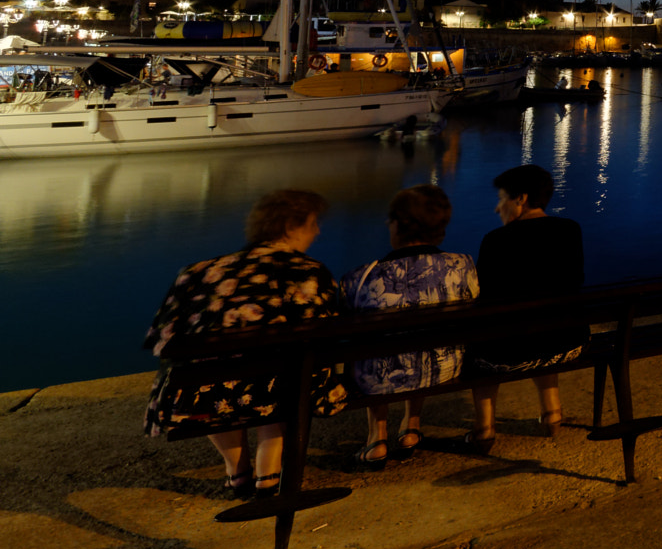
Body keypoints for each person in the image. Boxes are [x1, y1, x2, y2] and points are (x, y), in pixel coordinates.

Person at [142, 189, 350, 498]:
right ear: (292, 226)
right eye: (313, 223)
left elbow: (161, 341)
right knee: (287, 371)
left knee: (220, 377)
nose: (318, 231)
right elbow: (326, 336)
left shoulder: (199, 272)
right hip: (281, 387)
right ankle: (268, 473)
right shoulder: (308, 272)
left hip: (201, 394)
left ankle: (237, 472)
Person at [340, 185, 479, 469]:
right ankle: (411, 426)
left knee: (373, 349)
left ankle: (376, 438)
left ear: (397, 226)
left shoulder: (362, 277)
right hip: (445, 366)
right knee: (422, 339)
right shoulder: (462, 265)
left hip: (379, 379)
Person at [467, 164, 585, 452]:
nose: (497, 209)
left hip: (509, 354)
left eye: (501, 199)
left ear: (520, 199)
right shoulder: (571, 230)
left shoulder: (496, 241)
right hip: (568, 344)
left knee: (478, 340)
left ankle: (484, 428)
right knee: (546, 319)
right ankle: (552, 413)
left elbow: (484, 299)